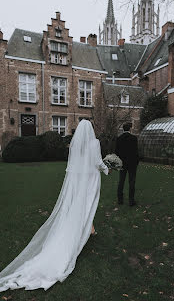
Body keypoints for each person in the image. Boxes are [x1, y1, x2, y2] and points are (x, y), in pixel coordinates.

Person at [0, 120, 108, 292]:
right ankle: (84, 231)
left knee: (77, 206)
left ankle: (90, 228)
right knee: (87, 205)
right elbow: (97, 161)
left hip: (79, 179)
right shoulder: (95, 143)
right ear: (92, 130)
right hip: (90, 180)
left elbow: (75, 163)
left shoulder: (75, 144)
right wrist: (107, 167)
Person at [115, 122, 139, 206]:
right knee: (131, 181)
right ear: (130, 129)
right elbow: (136, 152)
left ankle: (120, 200)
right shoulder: (134, 138)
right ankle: (131, 201)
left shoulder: (119, 138)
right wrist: (136, 162)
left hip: (122, 163)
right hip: (132, 163)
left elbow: (117, 152)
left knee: (121, 181)